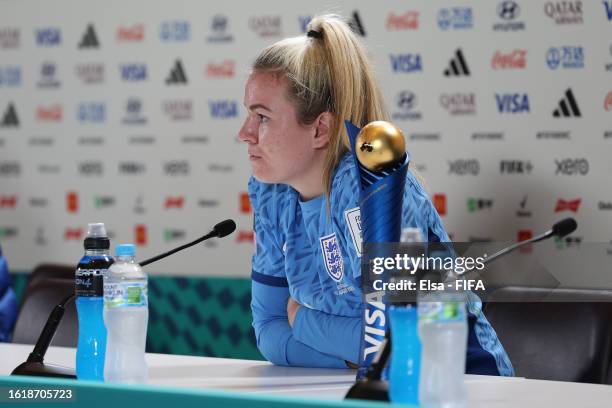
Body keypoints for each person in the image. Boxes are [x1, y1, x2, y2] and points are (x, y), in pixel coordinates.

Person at [238, 14, 513, 375]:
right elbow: (270, 331)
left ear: (320, 128)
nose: (245, 133)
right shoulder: (270, 193)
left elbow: (405, 341)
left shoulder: (373, 186)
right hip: (361, 383)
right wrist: (357, 353)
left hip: (464, 381)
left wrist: (302, 321)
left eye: (262, 117)